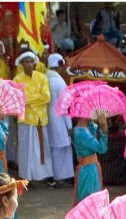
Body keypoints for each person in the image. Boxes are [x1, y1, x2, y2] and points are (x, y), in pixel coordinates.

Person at [14, 52, 52, 183]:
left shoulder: (42, 77)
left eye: (31, 61)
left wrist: (28, 101)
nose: (29, 64)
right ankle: (26, 177)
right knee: (25, 149)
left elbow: (47, 97)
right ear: (22, 63)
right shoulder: (17, 80)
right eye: (26, 61)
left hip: (40, 118)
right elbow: (19, 99)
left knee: (41, 148)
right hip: (25, 119)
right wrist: (36, 99)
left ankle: (41, 176)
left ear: (35, 63)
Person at [45, 53, 74, 187]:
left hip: (47, 119)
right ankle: (59, 178)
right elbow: (65, 106)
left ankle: (52, 177)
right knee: (61, 149)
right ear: (60, 66)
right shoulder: (59, 81)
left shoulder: (44, 78)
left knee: (52, 148)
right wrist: (69, 126)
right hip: (59, 120)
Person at [72, 113, 108, 205]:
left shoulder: (82, 129)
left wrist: (92, 124)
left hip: (89, 169)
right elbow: (101, 148)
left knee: (91, 201)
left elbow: (92, 140)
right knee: (89, 202)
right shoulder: (81, 133)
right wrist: (104, 129)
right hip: (88, 172)